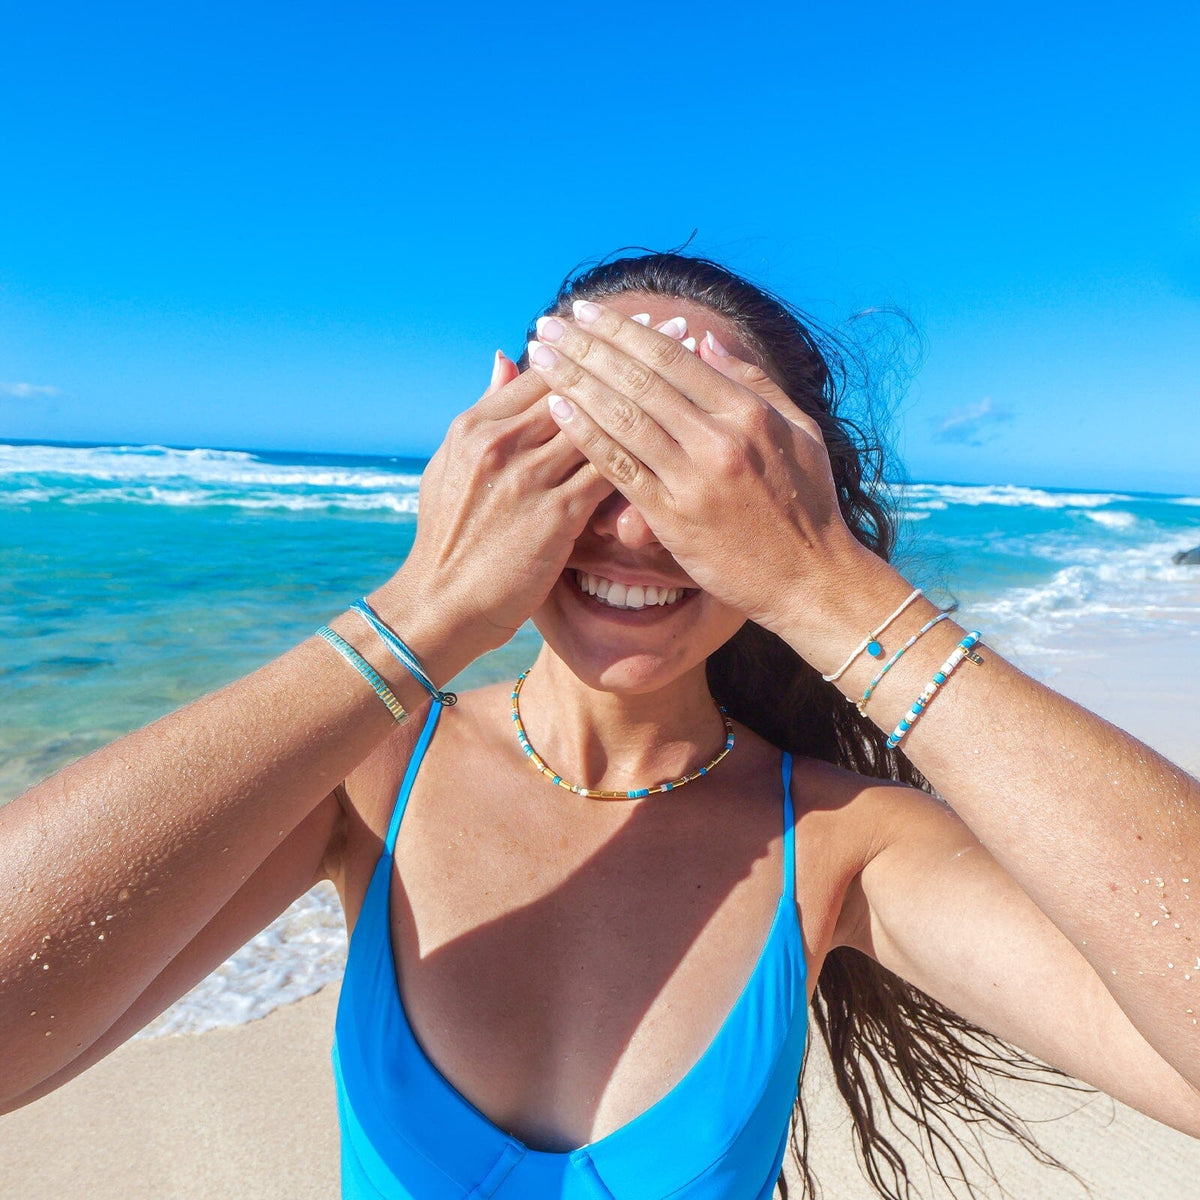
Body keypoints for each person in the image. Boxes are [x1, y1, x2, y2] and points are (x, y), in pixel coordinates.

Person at [1, 250, 1197, 1200]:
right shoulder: (365, 774)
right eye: (584, 447)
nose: (632, 529)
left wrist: (833, 591)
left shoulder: (843, 842)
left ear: (789, 487)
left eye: (694, 459)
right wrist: (419, 614)